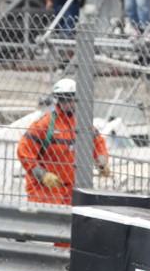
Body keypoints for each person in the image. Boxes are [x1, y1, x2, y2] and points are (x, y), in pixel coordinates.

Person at [16, 78, 110, 206]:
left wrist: (101, 162)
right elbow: (24, 150)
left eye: (72, 99)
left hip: (72, 189)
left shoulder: (83, 123)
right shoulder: (45, 124)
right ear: (57, 100)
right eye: (64, 99)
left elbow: (98, 142)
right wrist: (42, 175)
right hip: (45, 189)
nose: (69, 103)